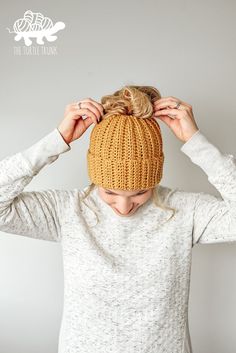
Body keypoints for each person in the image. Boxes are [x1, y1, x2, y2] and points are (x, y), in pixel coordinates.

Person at [0, 85, 235, 353]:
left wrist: (197, 143)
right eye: (110, 192)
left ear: (155, 178)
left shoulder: (184, 211)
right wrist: (56, 140)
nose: (124, 207)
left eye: (140, 192)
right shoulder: (67, 210)